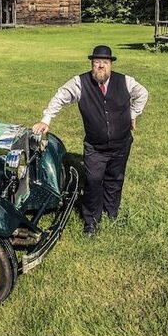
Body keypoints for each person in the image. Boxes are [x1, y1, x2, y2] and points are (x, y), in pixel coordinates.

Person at [32, 45, 148, 237]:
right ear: (92, 65)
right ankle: (91, 222)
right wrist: (46, 119)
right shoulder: (80, 83)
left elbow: (142, 94)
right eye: (96, 63)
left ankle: (111, 214)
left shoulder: (125, 81)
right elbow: (60, 97)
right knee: (94, 181)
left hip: (122, 143)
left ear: (110, 65)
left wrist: (133, 114)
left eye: (104, 62)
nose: (100, 66)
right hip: (95, 146)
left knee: (115, 179)